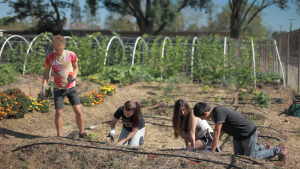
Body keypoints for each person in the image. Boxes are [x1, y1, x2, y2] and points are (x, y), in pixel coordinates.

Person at [193, 102, 286, 161]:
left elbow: (217, 132)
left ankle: (278, 149)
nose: (202, 119)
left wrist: (211, 152)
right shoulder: (214, 115)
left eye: (201, 117)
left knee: (251, 157)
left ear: (205, 113)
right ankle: (263, 146)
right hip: (237, 136)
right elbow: (220, 132)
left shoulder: (218, 111)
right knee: (239, 157)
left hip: (248, 133)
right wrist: (212, 146)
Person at [41, 35, 87, 138]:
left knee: (78, 111)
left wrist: (73, 78)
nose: (58, 51)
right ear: (53, 47)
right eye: (56, 49)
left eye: (60, 49)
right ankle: (60, 136)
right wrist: (44, 87)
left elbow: (76, 68)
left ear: (64, 46)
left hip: (71, 87)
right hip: (58, 89)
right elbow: (46, 73)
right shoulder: (50, 58)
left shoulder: (70, 55)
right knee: (59, 112)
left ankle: (82, 132)